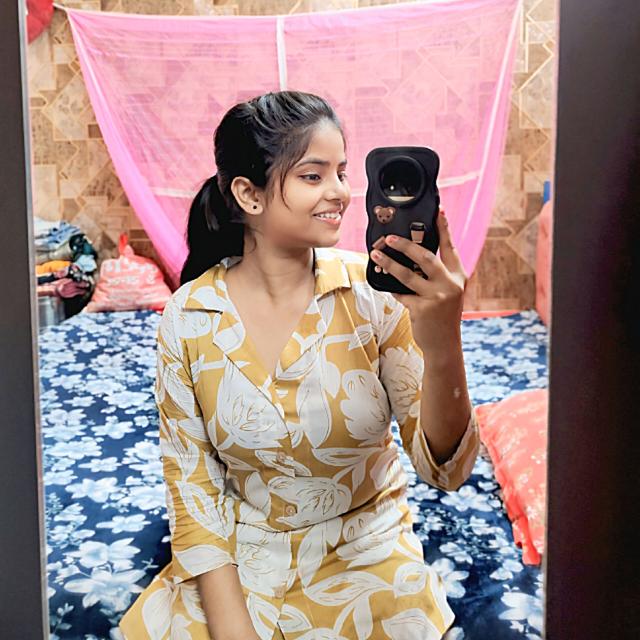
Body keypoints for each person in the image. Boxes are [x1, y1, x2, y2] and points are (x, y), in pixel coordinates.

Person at [120, 91, 479, 640]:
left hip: (368, 558)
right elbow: (195, 495)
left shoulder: (375, 298)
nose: (341, 192)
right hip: (241, 563)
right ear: (249, 194)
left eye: (342, 171)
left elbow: (444, 473)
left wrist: (443, 339)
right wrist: (235, 632)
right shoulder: (188, 317)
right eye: (314, 176)